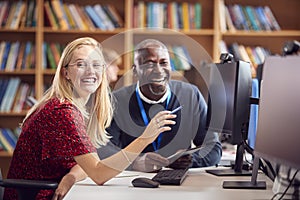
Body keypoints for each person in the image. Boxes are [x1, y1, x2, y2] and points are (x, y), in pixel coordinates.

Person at [4, 37, 176, 200]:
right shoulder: (62, 111)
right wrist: (145, 138)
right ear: (66, 73)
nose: (90, 71)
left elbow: (88, 163)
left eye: (96, 64)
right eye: (81, 64)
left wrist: (71, 176)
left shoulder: (75, 109)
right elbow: (98, 173)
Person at [98, 39, 222, 172]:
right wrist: (135, 162)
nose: (158, 70)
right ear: (135, 71)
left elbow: (213, 148)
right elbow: (104, 150)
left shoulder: (191, 95)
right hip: (131, 182)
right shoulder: (116, 100)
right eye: (149, 64)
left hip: (177, 181)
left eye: (164, 63)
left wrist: (192, 160)